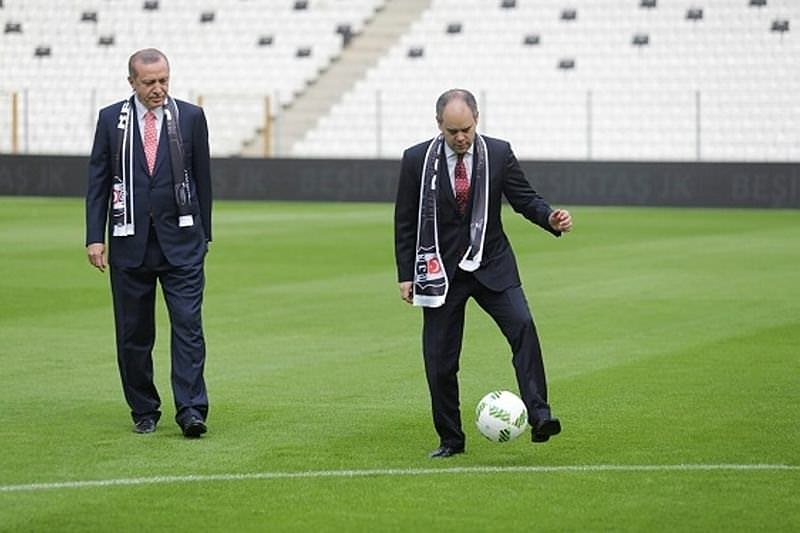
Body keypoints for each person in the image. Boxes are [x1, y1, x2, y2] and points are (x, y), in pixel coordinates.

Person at [394, 89, 572, 458]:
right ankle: (451, 440)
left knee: (523, 327)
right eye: (452, 131)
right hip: (441, 272)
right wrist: (406, 274)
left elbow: (525, 199)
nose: (460, 138)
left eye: (467, 129)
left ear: (477, 119)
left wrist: (550, 218)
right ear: (438, 125)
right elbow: (405, 221)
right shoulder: (415, 160)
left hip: (492, 264)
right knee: (440, 360)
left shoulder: (499, 153)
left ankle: (539, 415)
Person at [85, 48, 212, 438]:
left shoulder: (190, 117)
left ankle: (191, 409)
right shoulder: (111, 120)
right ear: (132, 83)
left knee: (188, 327)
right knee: (133, 332)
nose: (158, 89)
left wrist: (204, 234)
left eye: (164, 80)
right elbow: (99, 181)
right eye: (149, 82)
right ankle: (144, 408)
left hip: (183, 243)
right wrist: (94, 237)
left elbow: (203, 178)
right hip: (129, 243)